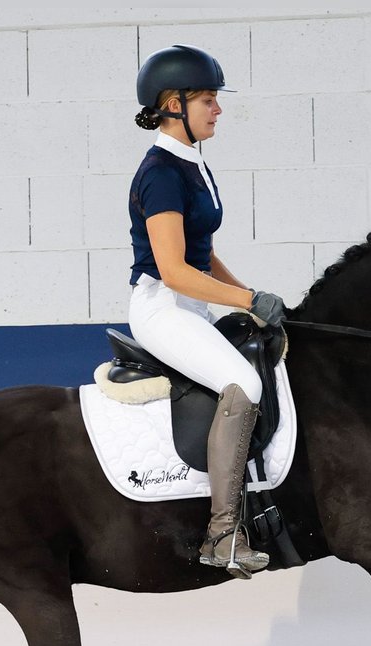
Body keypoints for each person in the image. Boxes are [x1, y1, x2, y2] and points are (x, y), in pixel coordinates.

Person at [128, 44, 287, 579]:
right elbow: (174, 270)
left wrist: (252, 296)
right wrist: (246, 301)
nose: (218, 110)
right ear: (174, 104)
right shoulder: (160, 173)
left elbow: (203, 253)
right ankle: (222, 536)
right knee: (244, 383)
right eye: (208, 100)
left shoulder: (191, 162)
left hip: (195, 302)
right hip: (163, 305)